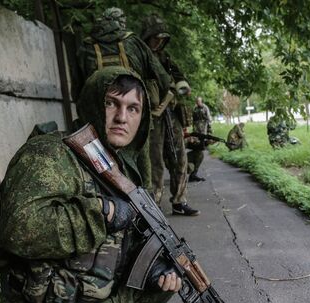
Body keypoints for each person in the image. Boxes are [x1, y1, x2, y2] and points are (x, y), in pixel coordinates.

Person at [0, 67, 182, 303]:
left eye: (133, 108)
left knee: (165, 284)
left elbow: (127, 241)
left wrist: (154, 269)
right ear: (94, 103)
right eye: (113, 103)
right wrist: (104, 213)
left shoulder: (122, 167)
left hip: (95, 292)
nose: (122, 117)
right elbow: (20, 228)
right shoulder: (51, 154)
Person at [74, 7, 172, 194]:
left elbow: (77, 92)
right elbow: (163, 79)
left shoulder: (85, 46)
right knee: (142, 173)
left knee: (98, 173)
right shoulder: (133, 42)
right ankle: (146, 205)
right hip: (135, 124)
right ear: (122, 22)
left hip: (94, 126)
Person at [141, 15, 199, 216]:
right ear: (147, 37)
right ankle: (154, 205)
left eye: (161, 39)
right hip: (151, 117)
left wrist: (181, 86)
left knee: (179, 157)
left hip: (169, 113)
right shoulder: (139, 57)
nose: (158, 42)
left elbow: (180, 78)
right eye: (155, 38)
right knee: (154, 161)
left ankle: (179, 201)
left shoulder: (165, 58)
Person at [187, 97, 213, 182]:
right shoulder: (195, 108)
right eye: (196, 101)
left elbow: (209, 120)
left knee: (200, 149)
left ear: (201, 101)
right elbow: (192, 121)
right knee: (198, 150)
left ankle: (194, 173)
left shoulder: (205, 108)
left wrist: (209, 132)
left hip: (203, 131)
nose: (197, 102)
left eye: (198, 101)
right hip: (196, 132)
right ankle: (193, 173)